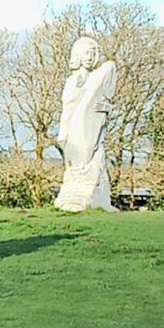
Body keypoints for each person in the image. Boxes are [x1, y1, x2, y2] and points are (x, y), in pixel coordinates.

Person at [55, 36, 117, 211]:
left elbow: (104, 102)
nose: (89, 57)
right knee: (78, 164)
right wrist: (63, 133)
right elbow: (67, 107)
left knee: (92, 160)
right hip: (75, 127)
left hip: (92, 128)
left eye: (92, 53)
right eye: (86, 53)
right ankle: (73, 196)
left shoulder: (96, 78)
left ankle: (92, 198)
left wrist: (107, 108)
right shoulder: (72, 80)